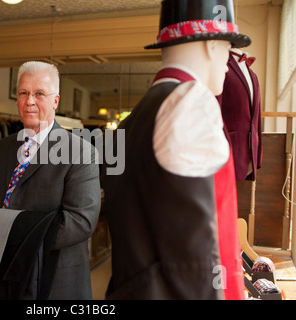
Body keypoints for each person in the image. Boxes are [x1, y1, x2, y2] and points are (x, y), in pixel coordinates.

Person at [102, 0, 249, 300]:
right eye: (228, 49)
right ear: (212, 45)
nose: (228, 62)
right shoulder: (192, 102)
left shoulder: (129, 122)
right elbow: (195, 259)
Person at [0, 61, 101, 300]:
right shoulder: (3, 148)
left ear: (55, 101)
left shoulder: (80, 151)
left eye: (39, 94)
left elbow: (81, 221)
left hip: (54, 280)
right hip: (4, 275)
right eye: (23, 93)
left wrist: (18, 239)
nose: (29, 101)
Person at [217, 48, 262, 181]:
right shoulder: (222, 67)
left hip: (250, 152)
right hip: (228, 148)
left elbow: (256, 117)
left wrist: (257, 155)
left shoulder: (252, 75)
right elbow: (215, 108)